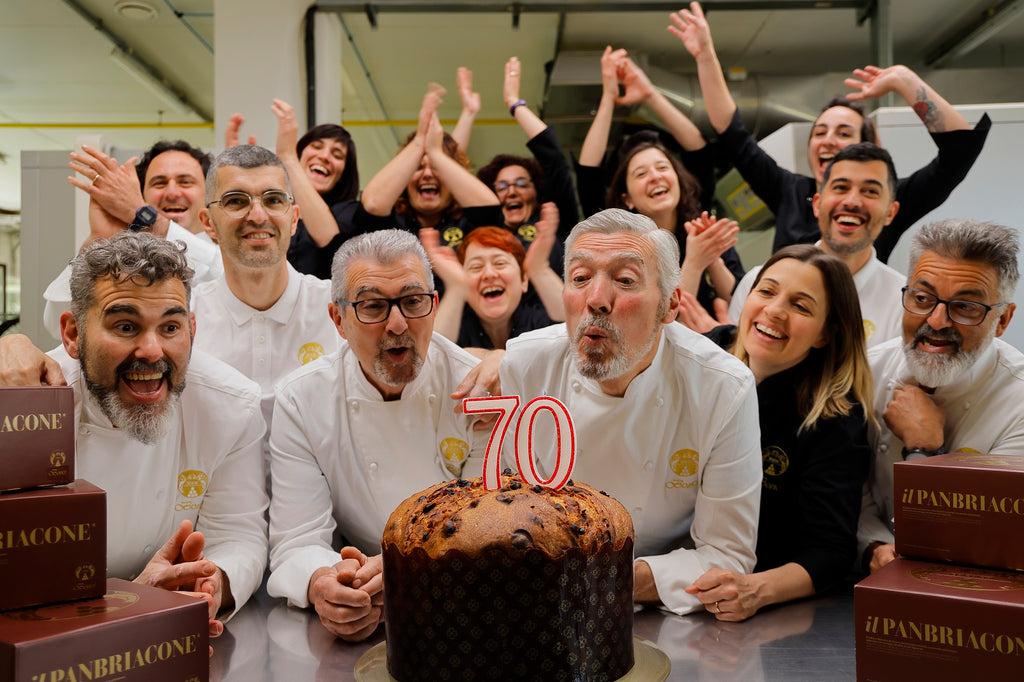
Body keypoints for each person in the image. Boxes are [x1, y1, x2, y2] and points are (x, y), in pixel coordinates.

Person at [0, 233, 268, 640]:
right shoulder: (29, 401)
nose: (152, 350)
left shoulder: (230, 405)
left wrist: (209, 583)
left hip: (158, 636)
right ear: (72, 334)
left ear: (192, 330)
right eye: (125, 326)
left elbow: (238, 532)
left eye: (171, 327)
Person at [500, 208, 762, 615]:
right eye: (580, 278)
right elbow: (508, 511)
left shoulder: (722, 387)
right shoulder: (526, 365)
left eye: (624, 280)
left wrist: (601, 579)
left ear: (670, 306)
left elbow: (727, 555)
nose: (596, 300)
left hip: (661, 608)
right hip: (543, 604)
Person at [266, 229, 486, 642]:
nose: (397, 324)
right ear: (338, 320)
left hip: (462, 615)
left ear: (434, 306)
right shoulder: (302, 400)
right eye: (372, 306)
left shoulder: (475, 390)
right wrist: (326, 582)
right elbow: (297, 538)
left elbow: (484, 527)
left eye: (413, 301)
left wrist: (409, 571)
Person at [671, 1, 990, 262]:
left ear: (867, 147)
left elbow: (959, 152)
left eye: (843, 133)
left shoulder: (890, 197)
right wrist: (705, 56)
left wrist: (906, 81)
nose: (828, 140)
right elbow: (733, 134)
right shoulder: (791, 191)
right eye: (820, 132)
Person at [687, 245, 873, 621]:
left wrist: (755, 591)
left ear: (825, 334)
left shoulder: (835, 419)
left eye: (801, 306)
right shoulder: (702, 355)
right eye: (766, 291)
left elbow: (830, 553)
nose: (774, 310)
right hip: (664, 568)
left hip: (743, 607)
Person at [859, 218, 1024, 574]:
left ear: (1003, 320)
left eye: (965, 307)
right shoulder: (865, 373)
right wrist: (872, 544)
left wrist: (927, 450)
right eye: (922, 298)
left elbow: (989, 534)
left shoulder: (1019, 402)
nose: (935, 321)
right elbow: (849, 489)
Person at [193, 145, 339, 452]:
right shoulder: (182, 317)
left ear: (294, 218)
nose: (258, 216)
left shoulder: (341, 310)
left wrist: (470, 365)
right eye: (235, 201)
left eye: (273, 200)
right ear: (208, 223)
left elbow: (428, 355)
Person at [576, 47, 744, 315]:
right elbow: (588, 173)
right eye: (641, 174)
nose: (655, 176)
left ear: (679, 181)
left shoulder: (701, 231)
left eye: (662, 167)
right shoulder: (620, 249)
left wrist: (650, 95)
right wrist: (608, 98)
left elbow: (698, 152)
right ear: (626, 198)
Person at [725, 143, 904, 349]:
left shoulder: (903, 306)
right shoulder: (757, 285)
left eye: (870, 191)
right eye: (841, 187)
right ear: (817, 204)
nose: (852, 201)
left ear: (891, 212)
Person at [47, 140, 222, 335]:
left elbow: (223, 275)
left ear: (208, 196)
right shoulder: (125, 258)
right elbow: (57, 324)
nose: (172, 192)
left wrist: (147, 217)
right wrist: (100, 239)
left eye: (185, 182)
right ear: (141, 194)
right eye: (160, 183)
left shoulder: (227, 255)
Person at [355, 84, 502, 250]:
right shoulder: (393, 220)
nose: (427, 174)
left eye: (436, 167)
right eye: (418, 167)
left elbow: (489, 209)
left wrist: (436, 154)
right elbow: (372, 205)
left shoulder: (467, 223)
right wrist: (419, 140)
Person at [226, 100, 361, 279]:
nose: (324, 156)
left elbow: (332, 244)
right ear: (301, 155)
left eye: (337, 155)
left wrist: (287, 157)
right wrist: (237, 176)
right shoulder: (273, 206)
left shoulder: (349, 213)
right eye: (316, 146)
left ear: (344, 173)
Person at [470, 58, 580, 266]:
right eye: (502, 186)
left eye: (521, 183)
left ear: (537, 190)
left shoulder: (554, 221)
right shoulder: (485, 231)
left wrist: (514, 103)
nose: (512, 192)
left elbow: (554, 160)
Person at [422, 205, 563, 353]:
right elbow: (430, 354)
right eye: (476, 267)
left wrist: (540, 270)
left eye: (500, 263)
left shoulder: (538, 319)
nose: (489, 274)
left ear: (523, 281)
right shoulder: (457, 326)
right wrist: (456, 288)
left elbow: (575, 325)